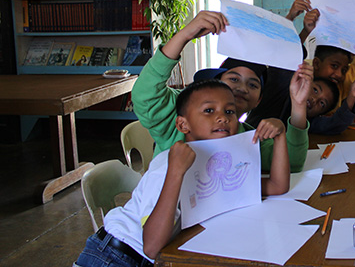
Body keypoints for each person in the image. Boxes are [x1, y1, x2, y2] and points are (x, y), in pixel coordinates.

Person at [75, 79, 292, 266]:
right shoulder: (167, 167)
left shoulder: (227, 158)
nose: (222, 118)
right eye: (209, 110)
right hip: (117, 256)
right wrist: (176, 173)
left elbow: (277, 186)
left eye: (229, 111)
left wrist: (280, 135)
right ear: (183, 124)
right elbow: (150, 246)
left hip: (161, 253)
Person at [130, 10, 309, 172]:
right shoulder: (180, 113)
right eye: (233, 79)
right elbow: (145, 94)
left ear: (258, 101)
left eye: (253, 85)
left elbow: (293, 163)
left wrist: (299, 105)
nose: (242, 88)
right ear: (216, 82)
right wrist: (185, 35)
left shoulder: (247, 137)